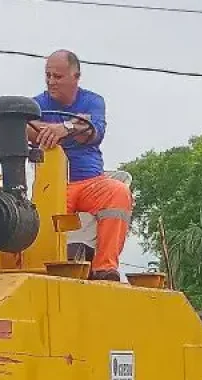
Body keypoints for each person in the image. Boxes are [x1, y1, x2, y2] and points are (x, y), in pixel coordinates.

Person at [31, 50, 131, 282]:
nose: (51, 81)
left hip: (90, 182)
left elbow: (93, 131)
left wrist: (63, 128)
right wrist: (71, 126)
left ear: (76, 76)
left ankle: (105, 268)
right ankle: (45, 268)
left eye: (57, 76)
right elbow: (27, 128)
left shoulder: (93, 101)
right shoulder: (36, 104)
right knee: (39, 221)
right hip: (53, 185)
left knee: (118, 192)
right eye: (48, 76)